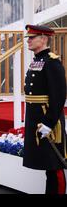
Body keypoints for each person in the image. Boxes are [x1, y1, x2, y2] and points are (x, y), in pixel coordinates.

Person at [22, 24, 66, 194]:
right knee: (47, 165)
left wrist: (48, 122)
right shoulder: (37, 61)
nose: (29, 41)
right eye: (28, 38)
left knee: (55, 164)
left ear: (44, 39)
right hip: (36, 118)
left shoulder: (52, 62)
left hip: (48, 120)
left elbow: (58, 96)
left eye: (32, 37)